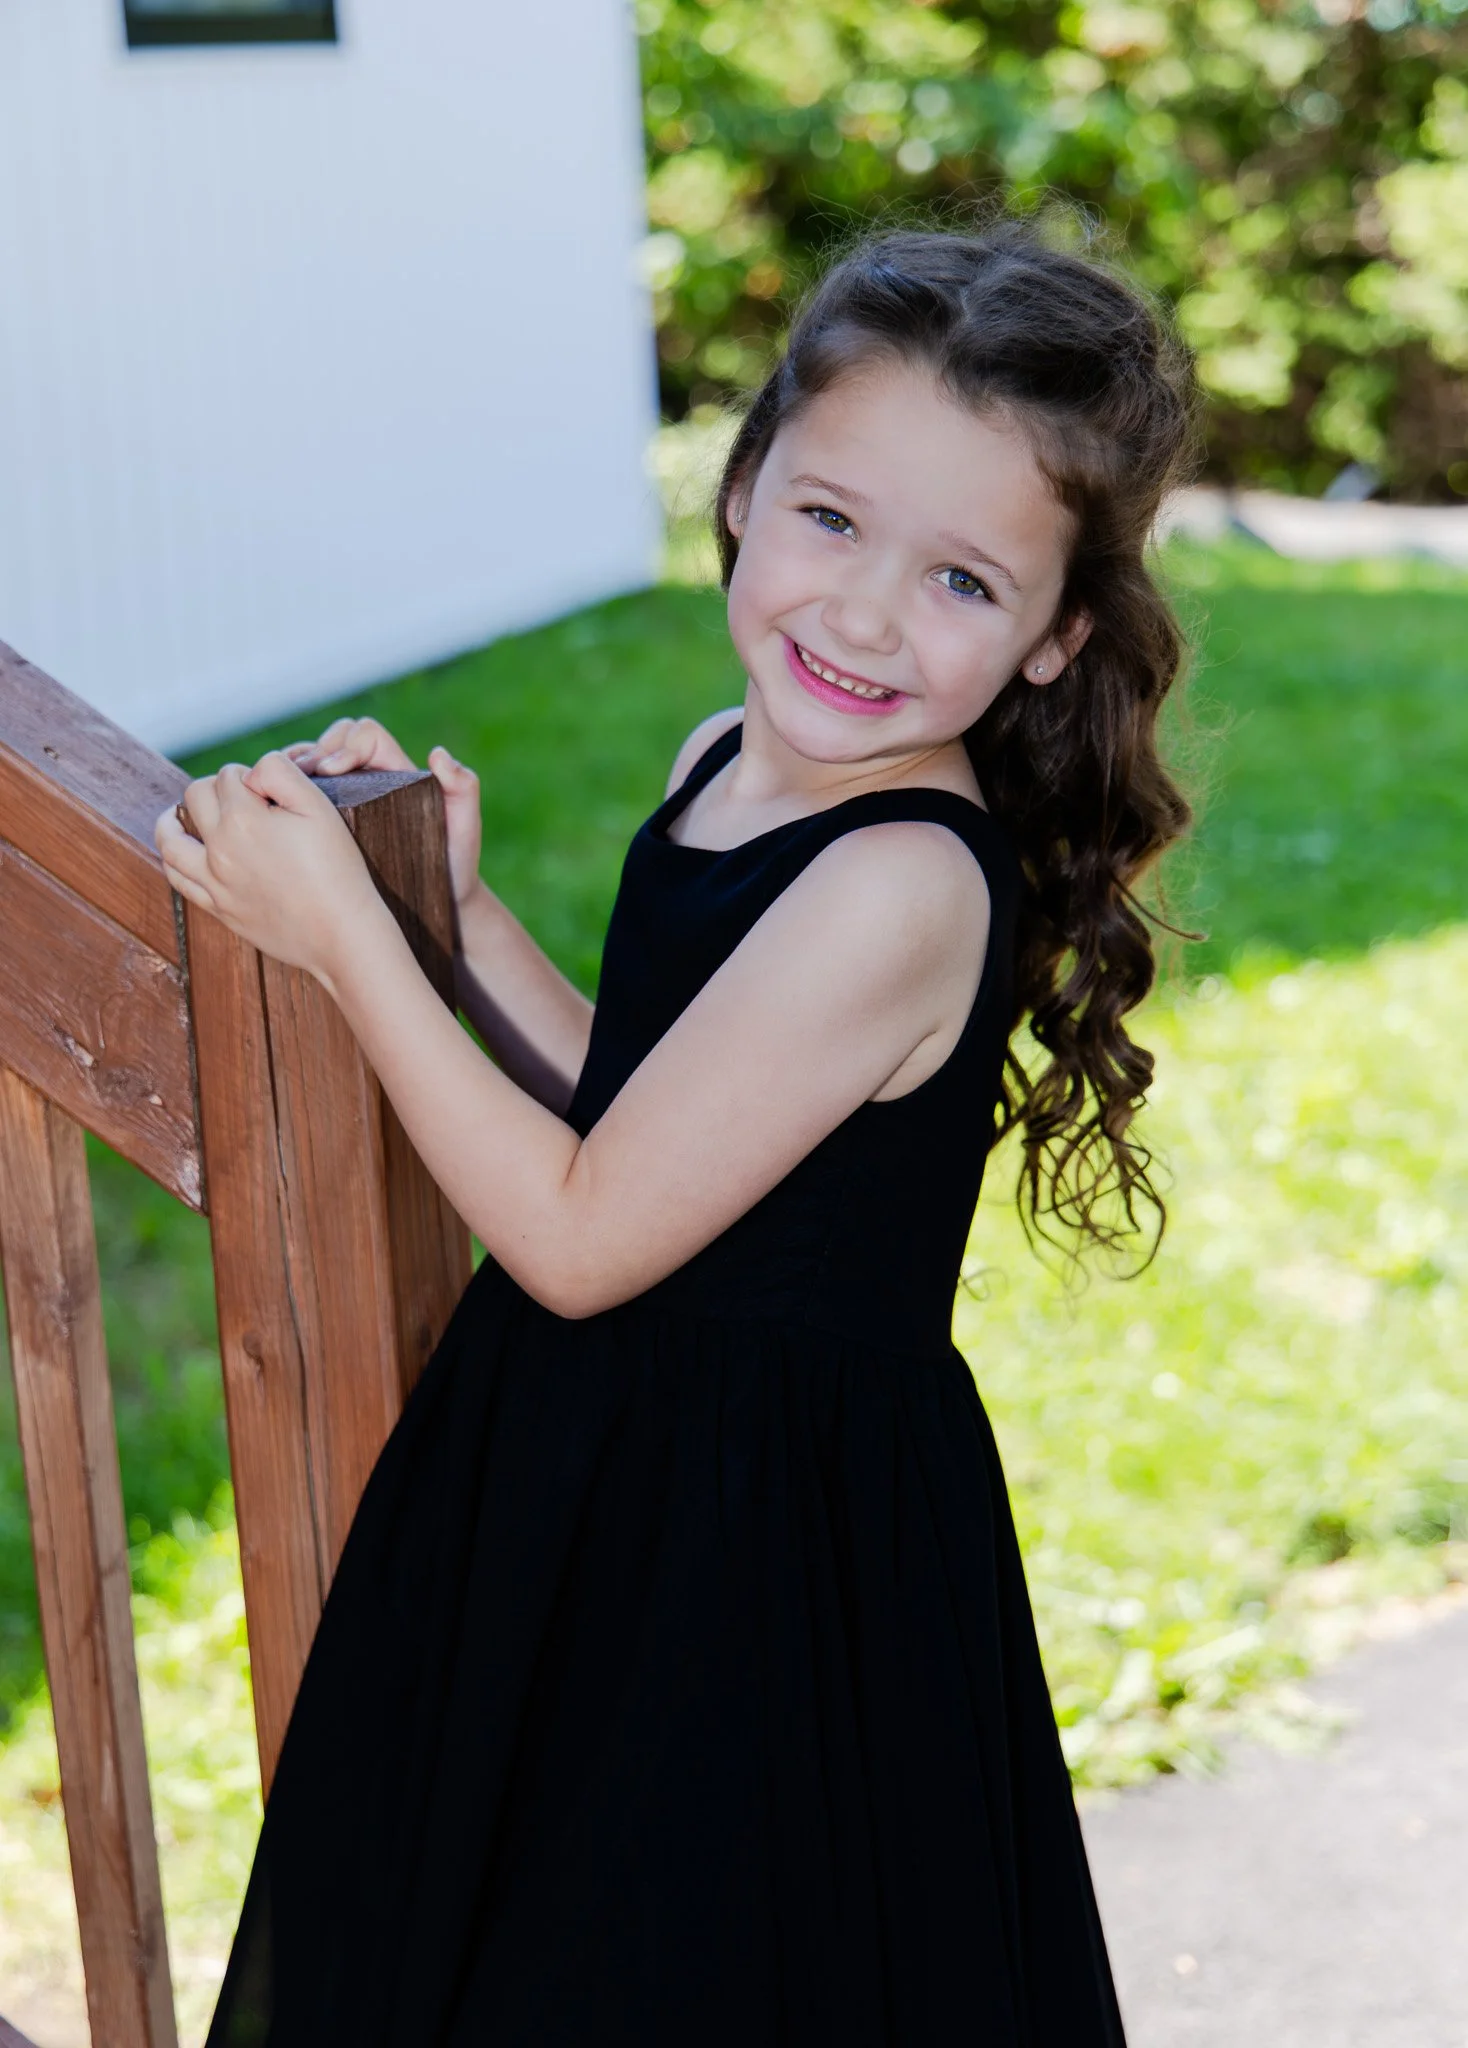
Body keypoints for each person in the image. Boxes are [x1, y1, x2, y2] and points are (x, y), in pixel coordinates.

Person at [157, 218, 1195, 2046]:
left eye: (965, 582)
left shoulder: (902, 883)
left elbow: (571, 1235)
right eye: (830, 520)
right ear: (737, 493)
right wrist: (462, 928)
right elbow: (654, 1114)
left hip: (755, 1559)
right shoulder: (726, 758)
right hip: (595, 1481)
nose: (866, 613)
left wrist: (341, 939)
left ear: (1056, 642)